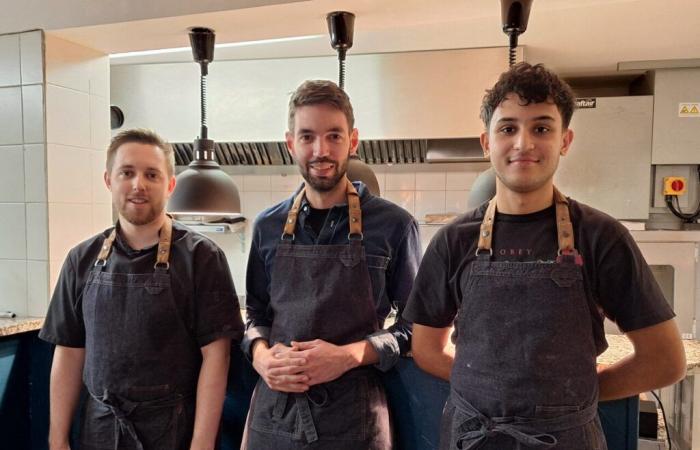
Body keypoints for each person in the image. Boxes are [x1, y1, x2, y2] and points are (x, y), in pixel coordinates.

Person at [404, 63, 686, 450]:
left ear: (565, 140)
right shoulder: (453, 241)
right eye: (507, 128)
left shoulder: (601, 237)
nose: (523, 143)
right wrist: (487, 395)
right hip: (473, 437)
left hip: (566, 439)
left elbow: (665, 359)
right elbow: (425, 349)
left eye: (541, 128)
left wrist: (577, 399)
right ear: (487, 143)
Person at [241, 80, 421, 449]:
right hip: (275, 417)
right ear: (291, 143)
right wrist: (261, 357)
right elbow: (254, 314)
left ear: (352, 141)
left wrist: (349, 355)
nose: (320, 150)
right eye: (307, 137)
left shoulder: (394, 226)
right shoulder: (267, 227)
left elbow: (416, 327)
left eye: (333, 136)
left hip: (355, 419)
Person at [39, 129, 244, 450]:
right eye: (127, 173)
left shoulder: (202, 258)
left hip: (173, 432)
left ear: (170, 185)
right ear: (109, 180)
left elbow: (216, 359)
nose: (138, 184)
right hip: (100, 431)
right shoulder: (81, 259)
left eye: (151, 174)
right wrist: (57, 439)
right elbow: (68, 353)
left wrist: (202, 444)